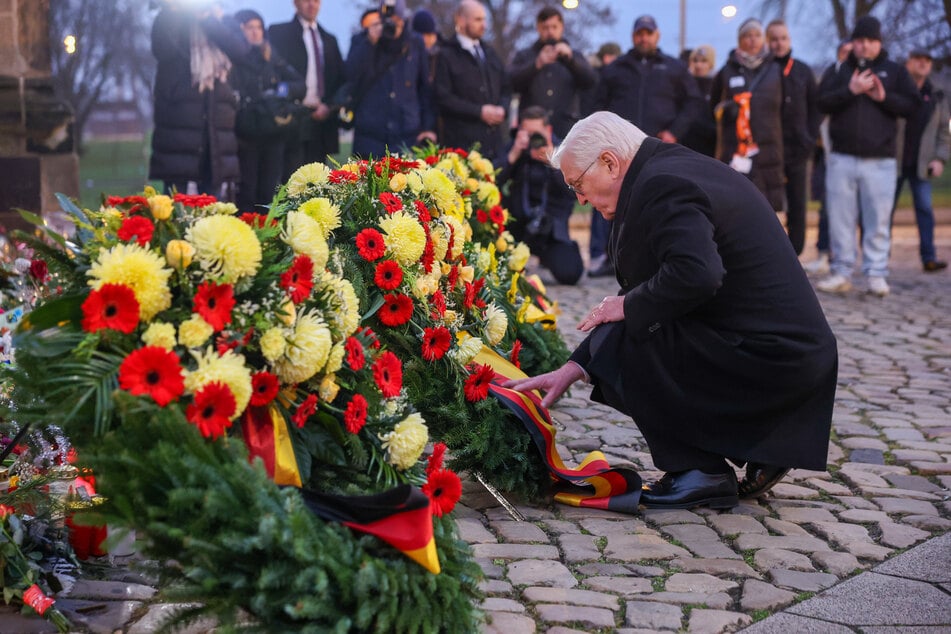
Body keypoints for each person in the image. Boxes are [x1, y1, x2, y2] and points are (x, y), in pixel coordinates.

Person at [505, 111, 838, 510]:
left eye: (578, 184)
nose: (579, 198)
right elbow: (653, 287)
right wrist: (575, 367)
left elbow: (696, 274)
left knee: (640, 333)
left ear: (610, 162)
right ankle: (755, 448)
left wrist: (626, 307)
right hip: (782, 351)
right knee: (640, 317)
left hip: (774, 360)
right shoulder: (664, 170)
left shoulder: (662, 185)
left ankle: (699, 471)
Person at [588, 14, 702, 278]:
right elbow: (596, 105)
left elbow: (694, 102)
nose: (644, 38)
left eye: (648, 33)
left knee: (656, 202)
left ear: (657, 35)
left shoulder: (674, 68)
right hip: (617, 151)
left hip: (657, 149)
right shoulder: (615, 68)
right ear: (633, 36)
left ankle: (656, 258)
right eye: (640, 33)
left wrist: (675, 131)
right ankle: (606, 256)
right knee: (611, 202)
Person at [816, 15, 920, 297]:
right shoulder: (839, 70)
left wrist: (883, 98)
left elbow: (913, 106)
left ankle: (876, 273)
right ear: (853, 43)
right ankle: (841, 271)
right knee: (840, 219)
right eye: (860, 41)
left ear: (879, 43)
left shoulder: (895, 71)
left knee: (878, 220)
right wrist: (850, 91)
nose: (864, 46)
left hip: (880, 160)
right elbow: (820, 101)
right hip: (841, 158)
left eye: (871, 41)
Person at [149, 1, 250, 198]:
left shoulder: (224, 21)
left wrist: (206, 19)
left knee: (210, 202)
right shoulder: (169, 18)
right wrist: (173, 11)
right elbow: (163, 49)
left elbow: (239, 50)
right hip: (177, 125)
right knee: (174, 203)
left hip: (215, 127)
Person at [495, 106, 583, 285]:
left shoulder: (562, 150)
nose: (533, 140)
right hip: (517, 226)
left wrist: (554, 162)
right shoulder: (517, 148)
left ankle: (560, 252)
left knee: (570, 273)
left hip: (550, 230)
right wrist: (513, 155)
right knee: (497, 271)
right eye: (527, 133)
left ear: (548, 130)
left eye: (537, 134)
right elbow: (492, 179)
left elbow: (574, 194)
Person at [231, 9, 305, 211]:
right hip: (245, 136)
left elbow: (299, 83)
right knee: (246, 192)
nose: (255, 33)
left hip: (273, 134)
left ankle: (266, 236)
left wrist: (279, 92)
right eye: (249, 27)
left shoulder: (272, 56)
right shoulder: (234, 59)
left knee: (268, 192)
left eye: (259, 27)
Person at [341, 0, 436, 157]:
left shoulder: (415, 43)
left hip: (406, 135)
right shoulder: (362, 40)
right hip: (369, 134)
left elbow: (424, 89)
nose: (392, 27)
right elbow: (350, 75)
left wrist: (427, 127)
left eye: (396, 22)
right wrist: (370, 43)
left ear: (403, 20)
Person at [712, 18, 785, 211]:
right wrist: (729, 108)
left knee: (768, 211)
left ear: (763, 40)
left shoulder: (776, 69)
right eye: (747, 36)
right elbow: (713, 107)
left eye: (756, 35)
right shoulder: (726, 71)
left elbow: (787, 111)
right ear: (739, 40)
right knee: (736, 207)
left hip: (769, 150)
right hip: (736, 150)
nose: (752, 40)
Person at [269, 0, 345, 175]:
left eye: (316, 0)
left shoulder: (329, 39)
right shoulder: (279, 33)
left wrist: (329, 105)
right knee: (291, 181)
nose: (312, 5)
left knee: (318, 182)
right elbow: (272, 74)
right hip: (291, 119)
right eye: (306, 0)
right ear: (295, 3)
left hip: (321, 121)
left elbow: (341, 79)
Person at [767, 19, 820, 255]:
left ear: (789, 40)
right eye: (774, 39)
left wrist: (809, 138)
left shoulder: (802, 71)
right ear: (768, 42)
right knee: (767, 203)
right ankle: (770, 251)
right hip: (770, 150)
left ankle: (795, 252)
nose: (779, 43)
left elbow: (815, 108)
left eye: (783, 38)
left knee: (798, 204)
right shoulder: (763, 70)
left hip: (798, 149)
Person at [895, 48, 949, 272]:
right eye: (918, 59)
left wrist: (940, 159)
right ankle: (878, 262)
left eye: (927, 60)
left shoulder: (937, 95)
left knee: (925, 210)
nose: (923, 63)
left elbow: (944, 133)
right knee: (882, 211)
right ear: (908, 62)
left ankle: (929, 257)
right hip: (894, 162)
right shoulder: (897, 89)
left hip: (922, 163)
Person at [433, 0, 509, 159]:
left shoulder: (490, 53)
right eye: (478, 19)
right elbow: (442, 98)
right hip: (462, 145)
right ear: (460, 20)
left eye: (484, 19)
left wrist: (503, 108)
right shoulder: (446, 54)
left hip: (494, 145)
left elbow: (506, 87)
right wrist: (479, 112)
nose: (484, 25)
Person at [508, 6, 597, 139]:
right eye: (545, 27)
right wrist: (536, 65)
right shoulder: (525, 56)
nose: (550, 32)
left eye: (554, 27)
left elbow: (591, 81)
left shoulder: (574, 55)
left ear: (562, 27)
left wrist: (570, 60)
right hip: (532, 129)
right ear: (538, 28)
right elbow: (510, 83)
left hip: (565, 129)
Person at [805, 40, 854, 275]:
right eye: (844, 52)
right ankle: (824, 252)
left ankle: (850, 257)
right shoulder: (831, 78)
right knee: (827, 205)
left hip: (853, 151)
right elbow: (819, 106)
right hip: (828, 154)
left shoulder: (864, 80)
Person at [680, 44, 717, 157]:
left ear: (711, 64)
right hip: (687, 146)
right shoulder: (684, 86)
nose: (698, 65)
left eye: (704, 61)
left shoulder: (717, 85)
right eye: (695, 60)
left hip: (711, 147)